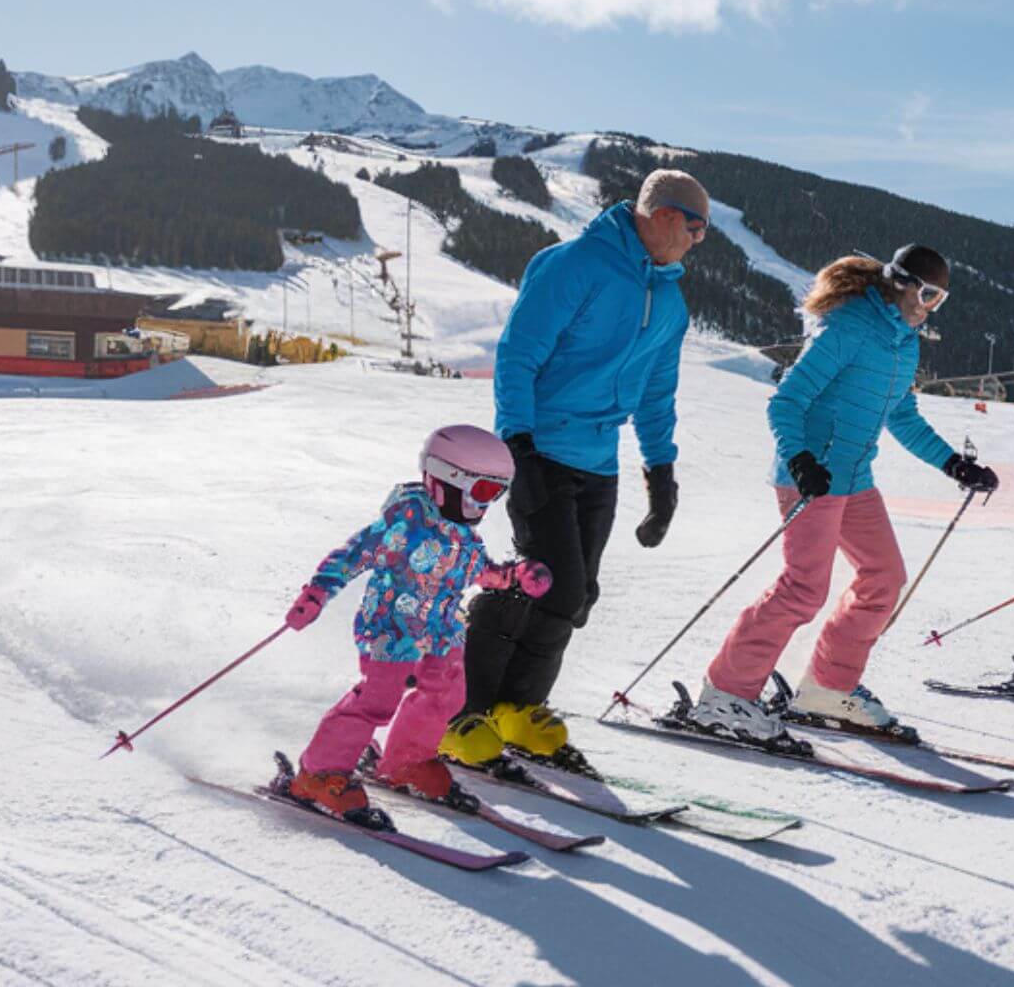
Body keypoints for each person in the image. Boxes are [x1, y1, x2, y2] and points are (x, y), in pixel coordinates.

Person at [444, 168, 708, 768]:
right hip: (542, 449)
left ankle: (516, 709)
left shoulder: (669, 298)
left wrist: (660, 473)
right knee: (543, 583)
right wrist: (519, 442)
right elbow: (517, 356)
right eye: (696, 228)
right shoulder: (573, 265)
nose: (698, 241)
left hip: (598, 462)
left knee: (575, 595)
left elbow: (657, 390)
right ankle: (460, 710)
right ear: (664, 216)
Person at [690, 245, 999, 742]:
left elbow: (900, 415)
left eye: (940, 299)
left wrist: (953, 464)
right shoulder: (850, 326)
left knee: (885, 577)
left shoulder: (905, 343)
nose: (930, 306)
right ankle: (724, 694)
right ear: (900, 283)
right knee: (804, 587)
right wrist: (800, 458)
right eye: (927, 293)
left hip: (853, 479)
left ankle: (828, 687)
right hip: (810, 477)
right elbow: (787, 401)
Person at [282, 425, 552, 818]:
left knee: (448, 692)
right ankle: (318, 774)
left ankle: (406, 762)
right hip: (391, 630)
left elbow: (481, 572)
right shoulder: (404, 525)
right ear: (446, 479)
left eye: (497, 493)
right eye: (482, 491)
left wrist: (515, 576)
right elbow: (352, 554)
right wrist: (317, 592)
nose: (486, 504)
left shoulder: (464, 538)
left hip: (441, 630)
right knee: (377, 700)